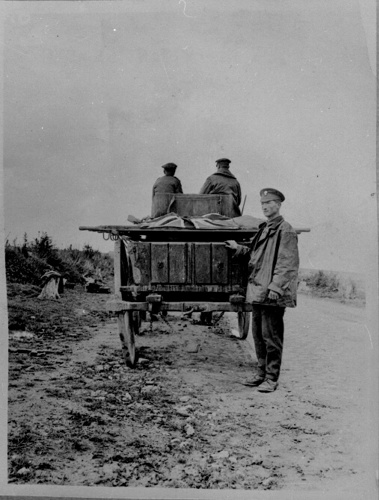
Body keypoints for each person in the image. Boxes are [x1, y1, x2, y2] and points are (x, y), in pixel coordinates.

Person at [225, 188, 299, 393]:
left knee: (271, 337)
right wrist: (238, 248)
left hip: (272, 294)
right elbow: (256, 256)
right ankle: (261, 373)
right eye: (263, 204)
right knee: (258, 335)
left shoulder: (285, 230)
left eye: (270, 203)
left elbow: (288, 264)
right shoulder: (265, 228)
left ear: (279, 205)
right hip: (259, 292)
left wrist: (276, 287)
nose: (266, 207)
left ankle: (272, 378)